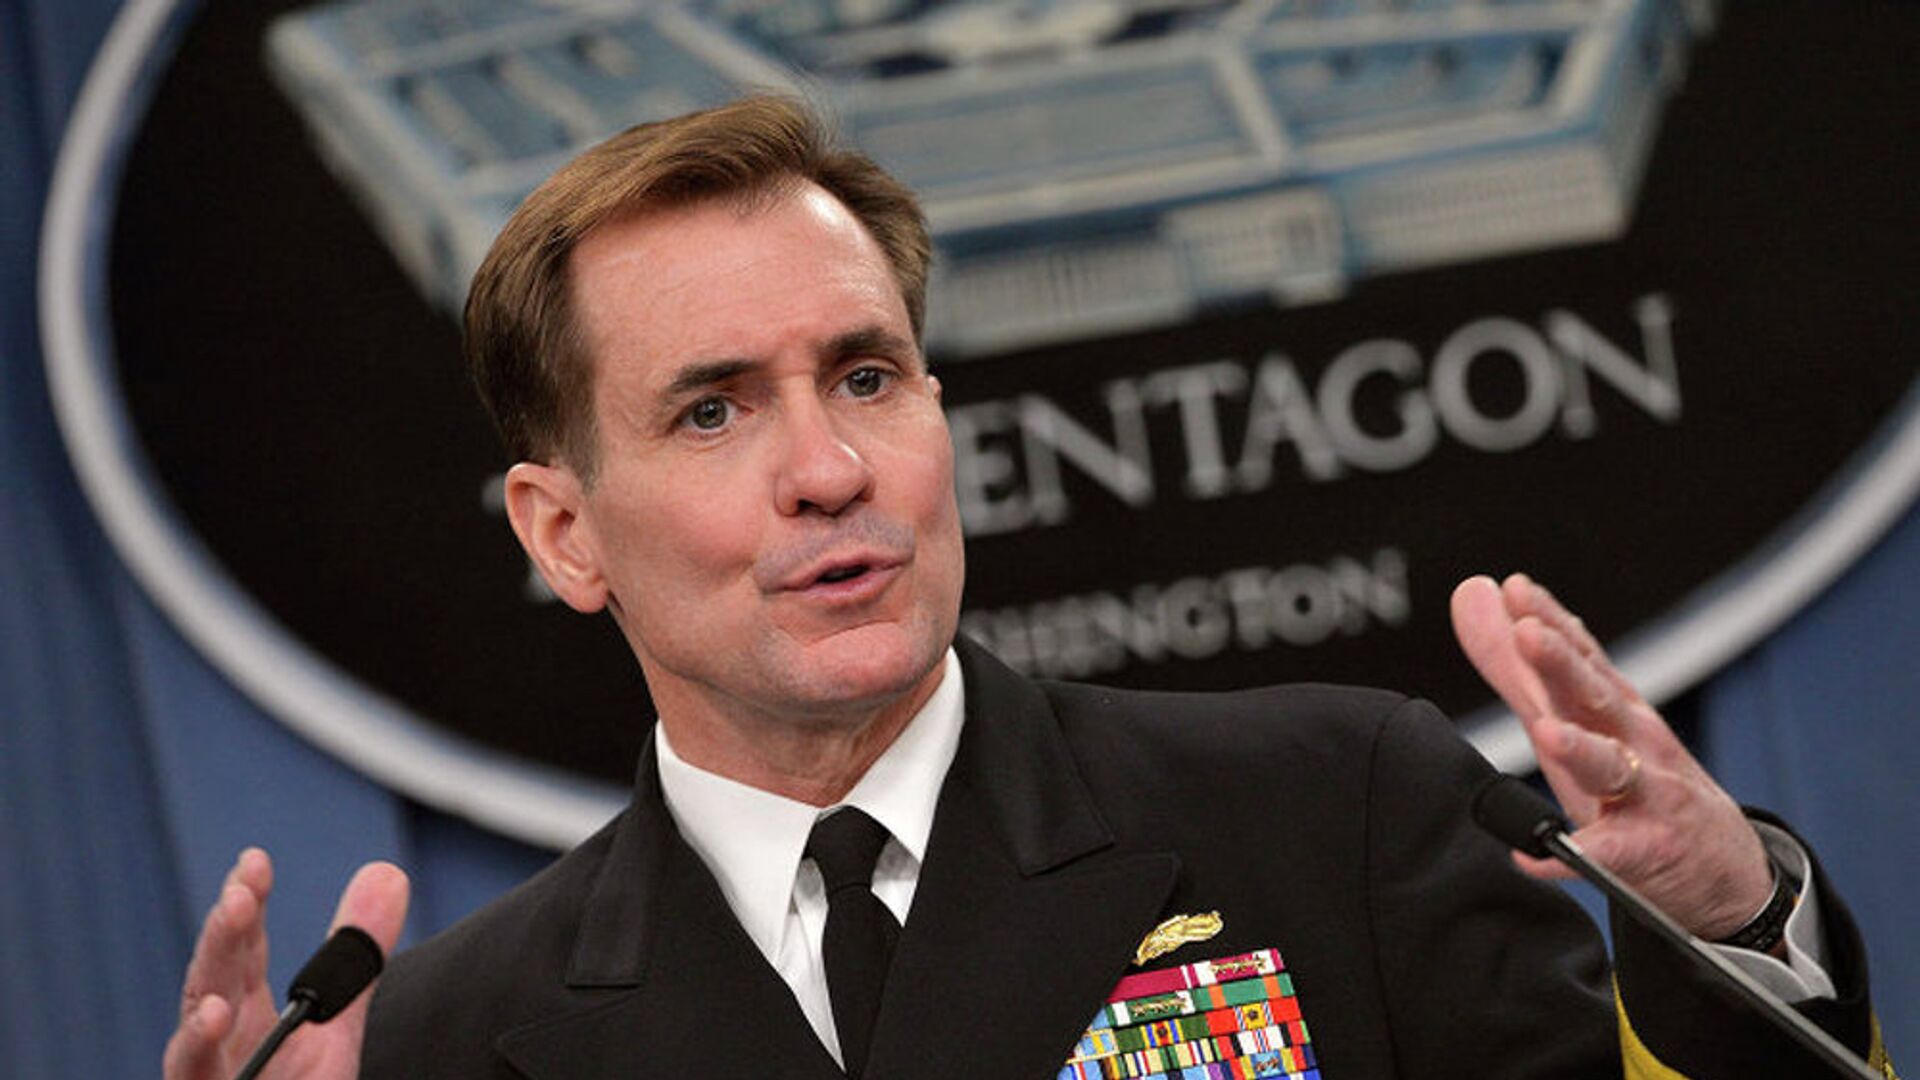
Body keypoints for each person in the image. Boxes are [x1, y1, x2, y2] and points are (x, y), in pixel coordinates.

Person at [162, 97, 1890, 1080]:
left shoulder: (1332, 807)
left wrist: (1739, 927)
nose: (828, 468)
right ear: (563, 535)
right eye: (713, 411)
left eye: (864, 376)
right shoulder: (452, 1038)